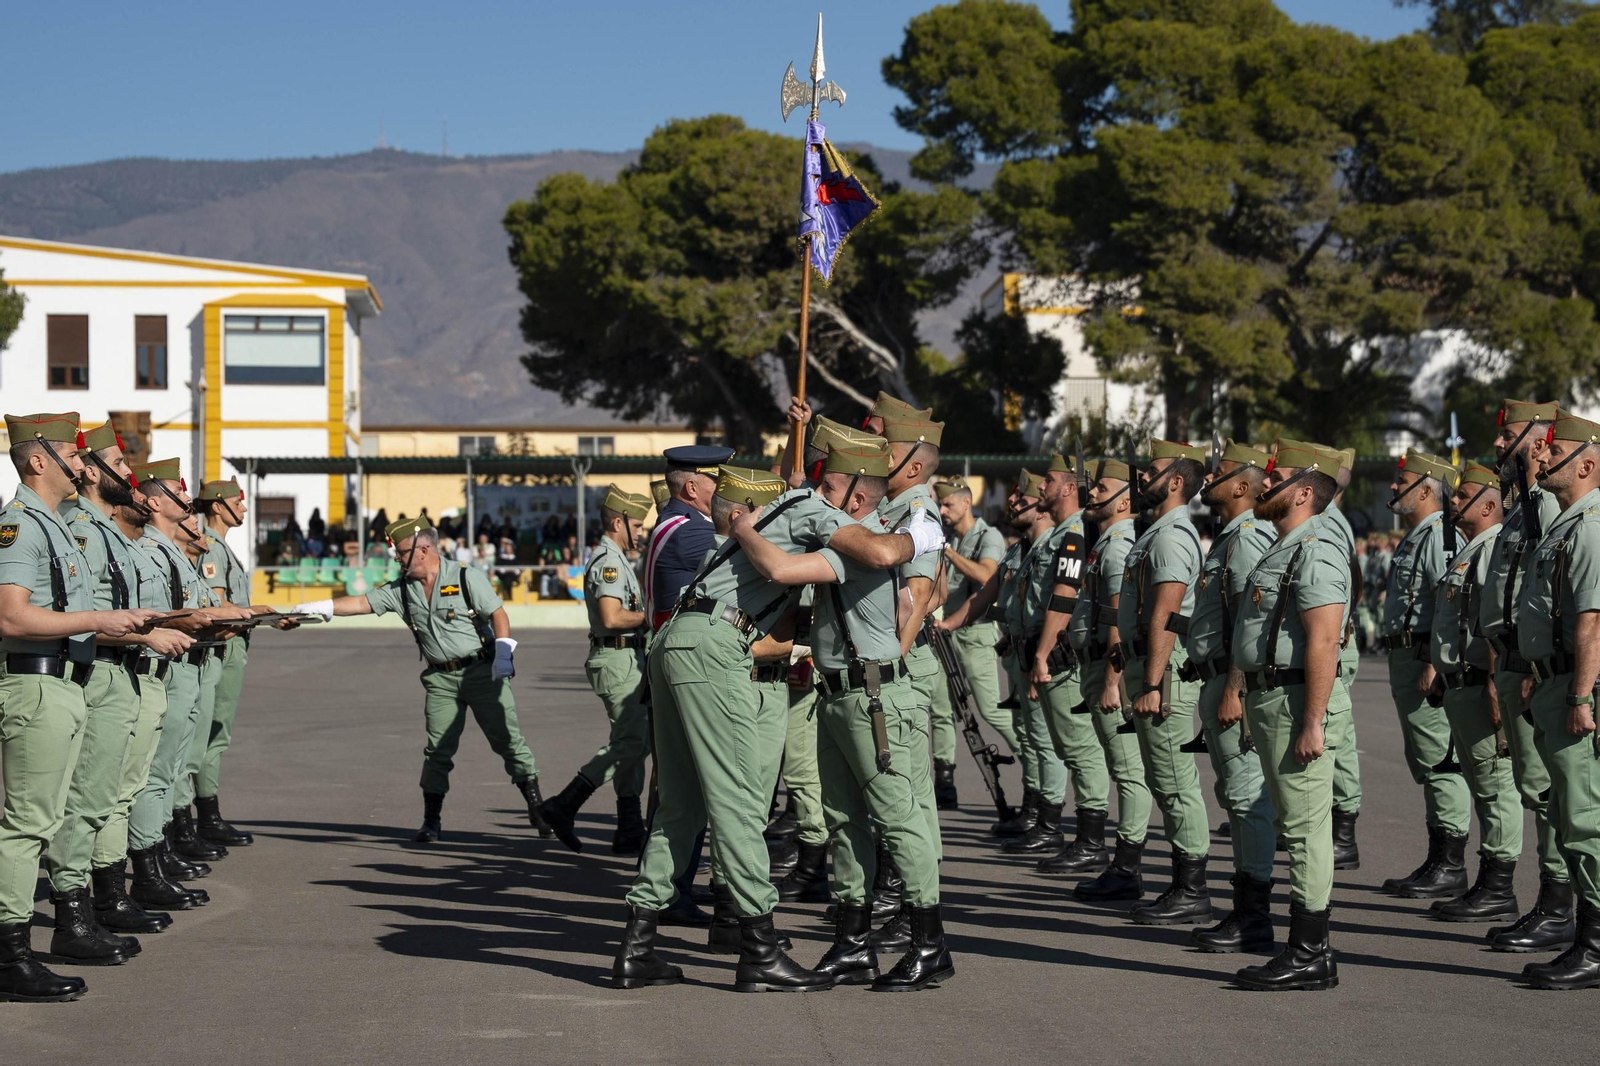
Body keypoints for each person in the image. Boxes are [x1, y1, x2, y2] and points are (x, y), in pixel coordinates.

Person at [610, 448, 945, 992]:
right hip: (717, 646)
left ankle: (637, 943)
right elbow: (868, 555)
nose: (815, 490)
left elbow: (803, 611)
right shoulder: (810, 513)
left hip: (677, 639)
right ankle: (759, 947)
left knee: (680, 803)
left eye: (825, 482)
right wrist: (920, 537)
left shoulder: (778, 519)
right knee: (739, 801)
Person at [731, 442, 955, 991]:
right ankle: (853, 942)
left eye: (827, 488)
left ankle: (930, 944)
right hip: (839, 695)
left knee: (897, 819)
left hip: (871, 698)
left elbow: (780, 568)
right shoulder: (854, 538)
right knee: (843, 821)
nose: (817, 495)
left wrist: (741, 527)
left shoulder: (861, 544)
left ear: (856, 498)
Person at [0, 412, 163, 1002]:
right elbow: (11, 616)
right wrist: (99, 620)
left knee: (48, 819)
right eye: (70, 453)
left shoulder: (56, 525)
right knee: (27, 825)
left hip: (67, 682)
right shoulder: (21, 524)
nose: (81, 463)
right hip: (37, 682)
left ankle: (54, 932)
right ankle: (11, 955)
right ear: (36, 460)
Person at [291, 517, 551, 843]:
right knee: (437, 751)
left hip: (482, 672)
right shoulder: (402, 589)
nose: (396, 558)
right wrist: (318, 607)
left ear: (423, 550)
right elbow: (361, 603)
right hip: (441, 679)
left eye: (401, 552)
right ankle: (431, 820)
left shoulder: (465, 576)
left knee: (509, 742)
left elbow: (497, 613)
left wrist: (503, 652)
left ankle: (537, 807)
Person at [1230, 438, 1352, 991]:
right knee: (1294, 824)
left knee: (1304, 831)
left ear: (1303, 492)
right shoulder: (1286, 545)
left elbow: (1323, 641)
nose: (1264, 483)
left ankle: (1310, 950)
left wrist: (1312, 721)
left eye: (1276, 479)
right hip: (1274, 698)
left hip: (1295, 700)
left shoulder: (1316, 548)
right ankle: (1306, 947)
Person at [1479, 398, 1572, 952]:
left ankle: (1559, 906)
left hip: (1536, 667)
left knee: (1550, 790)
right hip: (1514, 663)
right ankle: (1550, 901)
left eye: (1507, 434)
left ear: (1537, 442)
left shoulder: (1552, 505)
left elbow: (1557, 594)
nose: (1498, 443)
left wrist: (1541, 665)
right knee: (1536, 789)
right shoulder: (1523, 506)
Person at [1112, 439, 1213, 927]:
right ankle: (1183, 882)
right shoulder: (1157, 532)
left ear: (1175, 481)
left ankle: (1192, 888)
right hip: (1150, 668)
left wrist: (1152, 683)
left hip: (1163, 673)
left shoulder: (1171, 536)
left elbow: (1166, 614)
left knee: (1173, 781)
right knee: (1163, 778)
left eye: (1151, 470)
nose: (1142, 479)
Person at [1514, 413, 1600, 988]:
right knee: (1569, 818)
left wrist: (1580, 695)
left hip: (1575, 688)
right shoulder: (1564, 525)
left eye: (1554, 449)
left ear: (1587, 464)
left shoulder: (1590, 526)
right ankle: (1585, 937)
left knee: (1585, 821)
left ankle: (1595, 945)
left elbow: (1593, 623)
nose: (1541, 456)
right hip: (1554, 682)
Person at [1183, 441, 1278, 952]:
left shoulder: (1245, 539)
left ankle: (1254, 916)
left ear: (1242, 485)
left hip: (1231, 683)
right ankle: (1245, 910)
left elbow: (1249, 620)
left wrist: (1235, 692)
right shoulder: (1230, 538)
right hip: (1217, 678)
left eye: (1218, 472)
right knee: (1236, 798)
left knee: (1246, 799)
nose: (1209, 478)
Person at [1427, 460, 1521, 923]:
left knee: (1495, 784)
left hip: (1480, 683)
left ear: (1488, 506)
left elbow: (1497, 622)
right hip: (1459, 683)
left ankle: (1499, 885)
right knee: (1482, 786)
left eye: (1464, 496)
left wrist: (1494, 683)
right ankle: (1488, 880)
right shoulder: (1470, 550)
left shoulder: (1491, 548)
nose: (1454, 502)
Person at [541, 486, 654, 855]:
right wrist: (651, 618)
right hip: (617, 658)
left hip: (625, 657)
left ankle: (629, 825)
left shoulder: (618, 558)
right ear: (618, 523)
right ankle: (565, 804)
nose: (641, 532)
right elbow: (611, 617)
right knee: (631, 742)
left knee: (633, 741)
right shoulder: (609, 562)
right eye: (637, 526)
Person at [1379, 449, 1472, 898]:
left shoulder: (1439, 535)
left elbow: (1448, 601)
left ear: (1425, 489)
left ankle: (1450, 863)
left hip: (1421, 656)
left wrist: (1435, 663)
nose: (1394, 487)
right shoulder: (1417, 535)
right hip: (1406, 655)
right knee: (1424, 757)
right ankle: (1438, 858)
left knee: (1439, 760)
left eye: (1403, 481)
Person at [943, 470, 1053, 838]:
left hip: (1020, 649)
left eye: (1023, 497)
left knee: (1023, 726)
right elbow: (992, 595)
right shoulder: (1021, 548)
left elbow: (985, 580)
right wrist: (947, 624)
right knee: (1024, 727)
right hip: (1010, 647)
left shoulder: (994, 538)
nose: (1013, 501)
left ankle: (1050, 818)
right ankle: (1033, 807)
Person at [1062, 459, 1153, 897]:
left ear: (1124, 501)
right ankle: (1123, 864)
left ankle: (1127, 868)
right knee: (1122, 767)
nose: (1092, 493)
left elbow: (1118, 613)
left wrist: (1112, 683)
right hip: (1096, 664)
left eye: (1102, 488)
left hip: (1107, 668)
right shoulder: (1107, 543)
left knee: (1128, 770)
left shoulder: (1118, 547)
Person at [1016, 453, 1108, 863]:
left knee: (1079, 748)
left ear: (1070, 487)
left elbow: (1065, 595)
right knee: (1063, 745)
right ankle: (1072, 833)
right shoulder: (1060, 534)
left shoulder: (1074, 533)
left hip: (1060, 653)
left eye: (1049, 479)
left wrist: (1042, 653)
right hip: (1047, 649)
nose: (1040, 485)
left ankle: (1091, 840)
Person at [930, 477, 1013, 811]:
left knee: (991, 708)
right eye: (940, 504)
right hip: (945, 632)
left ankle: (1035, 762)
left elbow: (987, 576)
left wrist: (948, 552)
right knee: (941, 710)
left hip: (976, 633)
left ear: (967, 503)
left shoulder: (987, 536)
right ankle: (944, 781)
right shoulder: (949, 538)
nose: (942, 510)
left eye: (948, 504)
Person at [191, 478, 262, 848]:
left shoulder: (219, 546)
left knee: (213, 732)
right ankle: (207, 816)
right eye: (237, 502)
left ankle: (204, 815)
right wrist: (258, 613)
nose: (243, 508)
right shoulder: (212, 547)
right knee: (214, 733)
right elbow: (219, 606)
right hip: (226, 644)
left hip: (235, 640)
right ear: (217, 506)